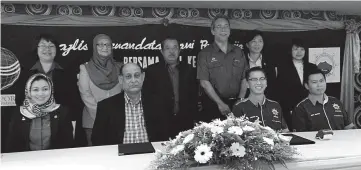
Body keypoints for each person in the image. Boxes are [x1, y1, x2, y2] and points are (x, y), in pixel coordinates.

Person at [143, 37, 198, 140]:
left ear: (179, 50)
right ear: (162, 51)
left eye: (175, 48)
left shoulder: (189, 70)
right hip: (160, 123)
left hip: (185, 122)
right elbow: (147, 99)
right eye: (167, 48)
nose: (171, 51)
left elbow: (194, 96)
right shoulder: (151, 71)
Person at [197, 14, 248, 122]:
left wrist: (240, 101)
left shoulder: (238, 51)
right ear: (213, 31)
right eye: (219, 26)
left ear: (229, 30)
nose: (223, 29)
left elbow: (245, 78)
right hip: (214, 105)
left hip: (237, 103)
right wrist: (220, 103)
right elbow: (204, 82)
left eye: (226, 26)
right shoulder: (205, 53)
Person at [91, 63, 157, 146]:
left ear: (143, 77)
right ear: (121, 79)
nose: (133, 80)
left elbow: (166, 137)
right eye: (128, 76)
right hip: (118, 157)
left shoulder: (158, 104)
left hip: (152, 156)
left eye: (137, 75)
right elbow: (97, 139)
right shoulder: (106, 107)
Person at [6, 73, 73, 153]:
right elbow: (12, 146)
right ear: (28, 91)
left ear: (51, 90)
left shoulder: (62, 111)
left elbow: (68, 145)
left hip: (55, 161)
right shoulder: (19, 113)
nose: (40, 94)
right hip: (26, 161)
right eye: (35, 90)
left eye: (45, 89)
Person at [77, 34, 123, 146]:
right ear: (94, 47)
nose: (105, 47)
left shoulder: (120, 67)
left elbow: (124, 92)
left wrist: (114, 116)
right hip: (93, 121)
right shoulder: (85, 68)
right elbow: (85, 94)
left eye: (108, 44)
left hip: (117, 120)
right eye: (101, 44)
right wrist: (102, 116)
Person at [292, 65, 356, 132]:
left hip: (341, 141)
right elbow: (301, 136)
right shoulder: (301, 108)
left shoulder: (336, 102)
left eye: (321, 81)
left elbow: (349, 128)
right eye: (314, 82)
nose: (319, 85)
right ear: (307, 86)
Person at [15, 34, 67, 107]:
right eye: (43, 45)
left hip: (58, 116)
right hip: (32, 116)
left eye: (51, 46)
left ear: (56, 49)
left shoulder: (66, 74)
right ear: (36, 49)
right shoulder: (25, 73)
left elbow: (69, 101)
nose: (47, 49)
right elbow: (19, 100)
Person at [232, 67, 288, 132]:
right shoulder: (239, 107)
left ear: (266, 83)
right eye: (254, 79)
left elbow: (285, 131)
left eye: (262, 79)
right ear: (247, 84)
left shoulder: (275, 105)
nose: (259, 82)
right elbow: (235, 134)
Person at [276, 38, 314, 130]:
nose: (299, 52)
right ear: (290, 50)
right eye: (296, 49)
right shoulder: (282, 67)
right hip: (290, 106)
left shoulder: (312, 67)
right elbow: (280, 90)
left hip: (310, 105)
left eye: (302, 49)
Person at [244, 30, 277, 100]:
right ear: (247, 45)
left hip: (266, 99)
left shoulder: (269, 61)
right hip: (246, 99)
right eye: (253, 41)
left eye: (260, 41)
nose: (257, 44)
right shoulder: (242, 60)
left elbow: (272, 83)